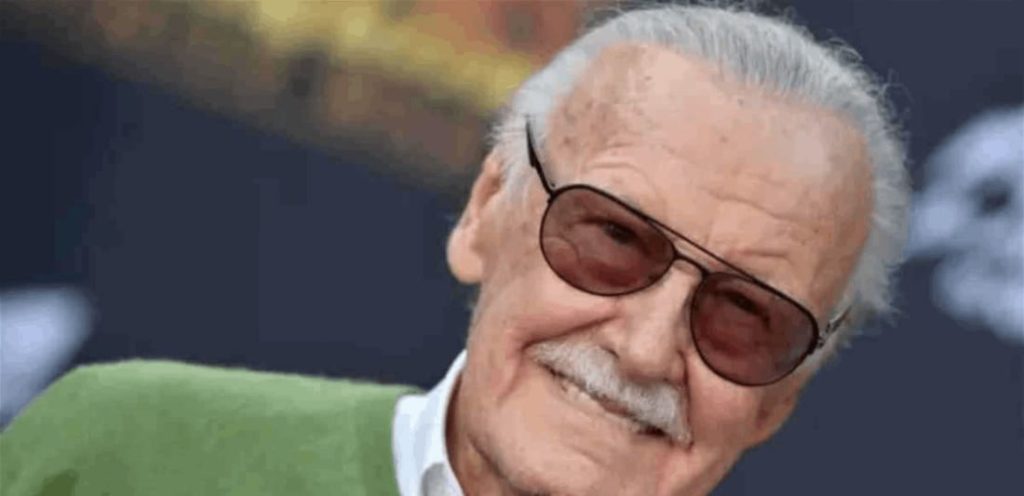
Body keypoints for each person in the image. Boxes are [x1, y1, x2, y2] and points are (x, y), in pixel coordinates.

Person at [0, 4, 910, 496]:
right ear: (485, 213)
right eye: (612, 239)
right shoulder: (125, 455)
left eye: (743, 315)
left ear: (780, 400)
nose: (644, 348)